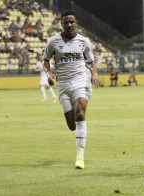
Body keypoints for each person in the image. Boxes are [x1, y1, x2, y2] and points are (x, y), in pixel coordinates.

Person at [43, 10, 100, 169]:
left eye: (72, 22)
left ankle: (80, 158)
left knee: (80, 112)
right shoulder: (53, 42)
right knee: (72, 125)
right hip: (63, 85)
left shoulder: (84, 41)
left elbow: (91, 61)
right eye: (66, 22)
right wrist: (49, 73)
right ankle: (78, 135)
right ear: (61, 24)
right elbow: (46, 60)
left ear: (76, 23)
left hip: (81, 80)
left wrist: (94, 74)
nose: (69, 25)